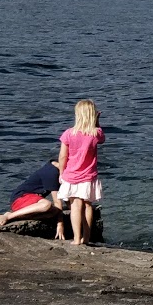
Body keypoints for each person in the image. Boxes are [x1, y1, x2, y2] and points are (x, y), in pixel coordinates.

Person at [56, 98, 104, 246]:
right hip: (88, 176)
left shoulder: (68, 134)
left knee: (75, 206)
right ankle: (87, 238)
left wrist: (61, 172)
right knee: (88, 205)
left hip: (71, 175)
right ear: (93, 115)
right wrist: (96, 122)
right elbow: (102, 139)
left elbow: (63, 156)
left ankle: (77, 239)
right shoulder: (96, 133)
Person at [0, 159, 63, 227]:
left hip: (31, 201)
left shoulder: (60, 171)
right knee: (46, 205)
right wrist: (60, 225)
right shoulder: (51, 172)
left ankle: (16, 216)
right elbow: (58, 203)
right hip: (21, 197)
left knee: (53, 211)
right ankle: (8, 216)